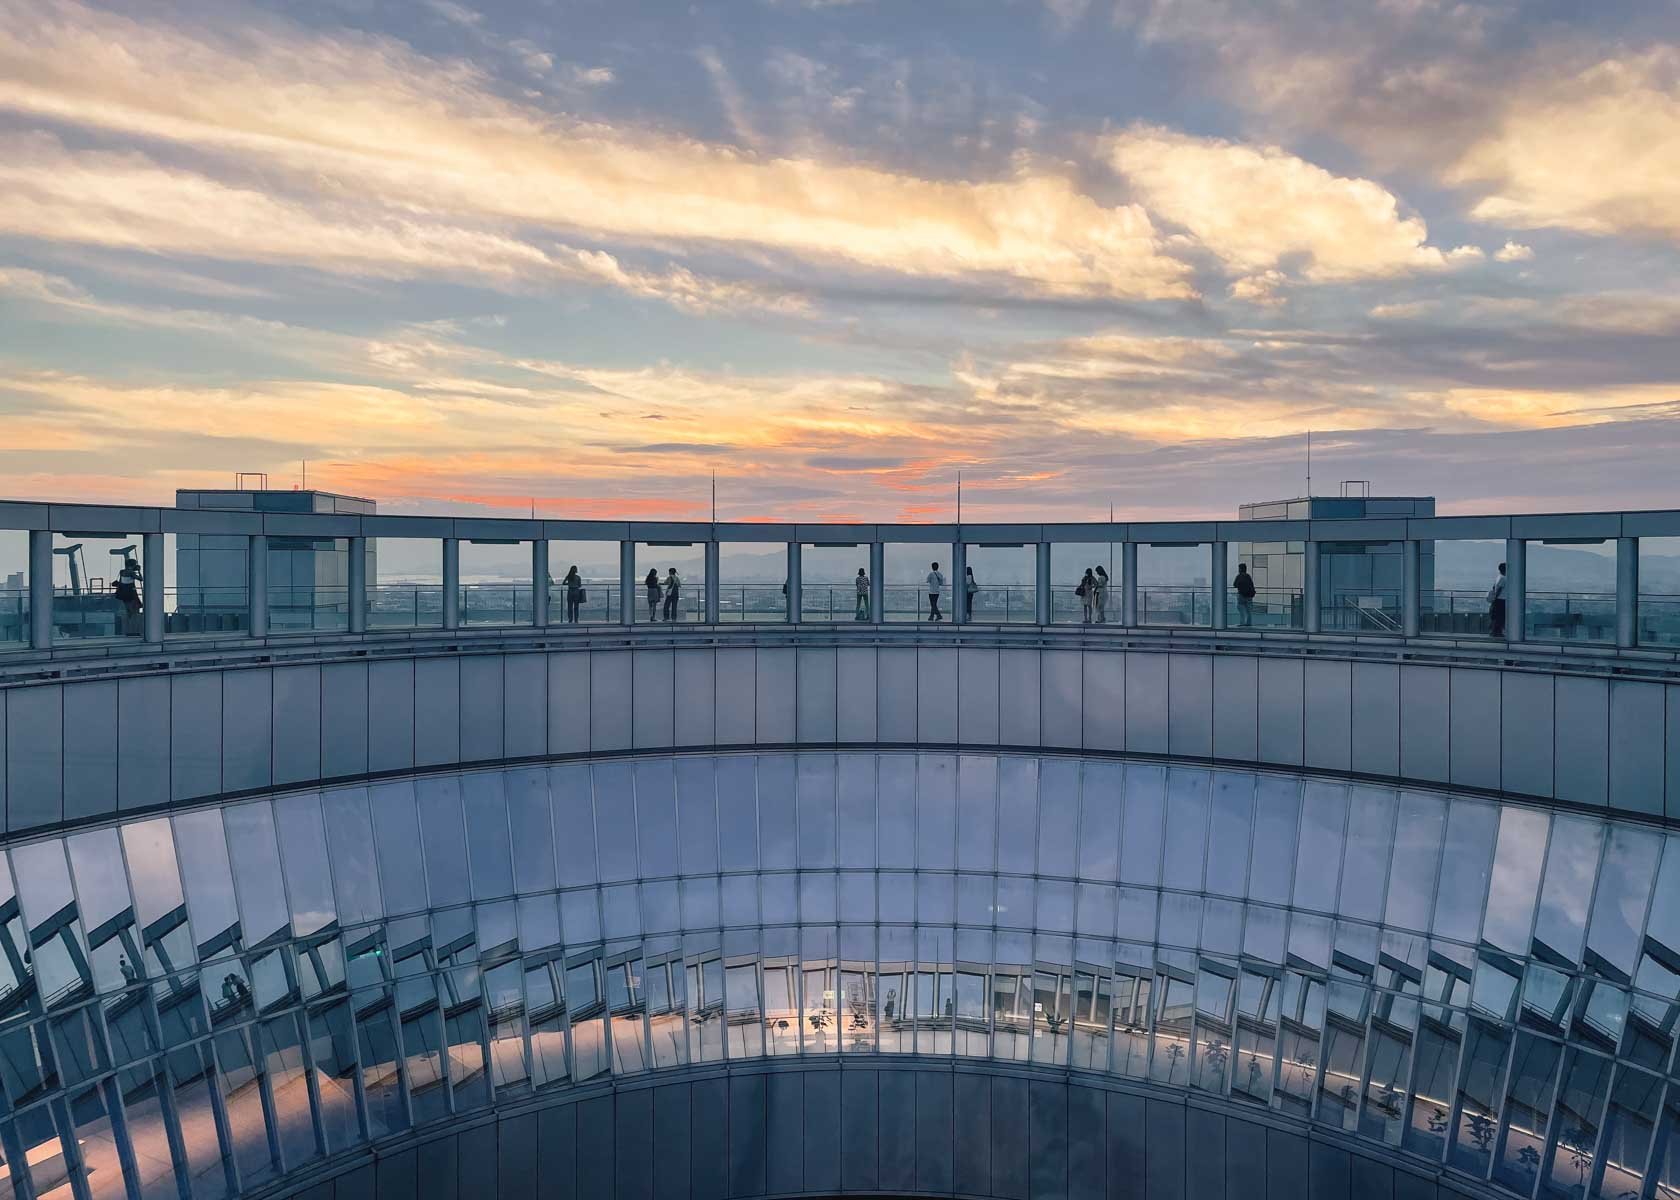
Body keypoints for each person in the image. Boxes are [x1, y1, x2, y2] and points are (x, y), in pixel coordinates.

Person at [1233, 562, 1257, 627]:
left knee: (1241, 610)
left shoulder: (1239, 576)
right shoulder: (1248, 576)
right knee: (1249, 611)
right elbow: (1252, 585)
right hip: (1249, 596)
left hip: (1241, 595)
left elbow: (1234, 584)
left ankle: (1242, 623)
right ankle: (1249, 623)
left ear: (1240, 569)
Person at [1488, 561, 1507, 637]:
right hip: (1501, 600)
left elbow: (1494, 587)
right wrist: (1495, 597)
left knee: (1496, 616)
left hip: (1498, 599)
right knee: (1500, 616)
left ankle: (1494, 631)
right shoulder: (1503, 578)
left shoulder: (1498, 577)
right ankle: (1497, 632)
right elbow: (1499, 589)